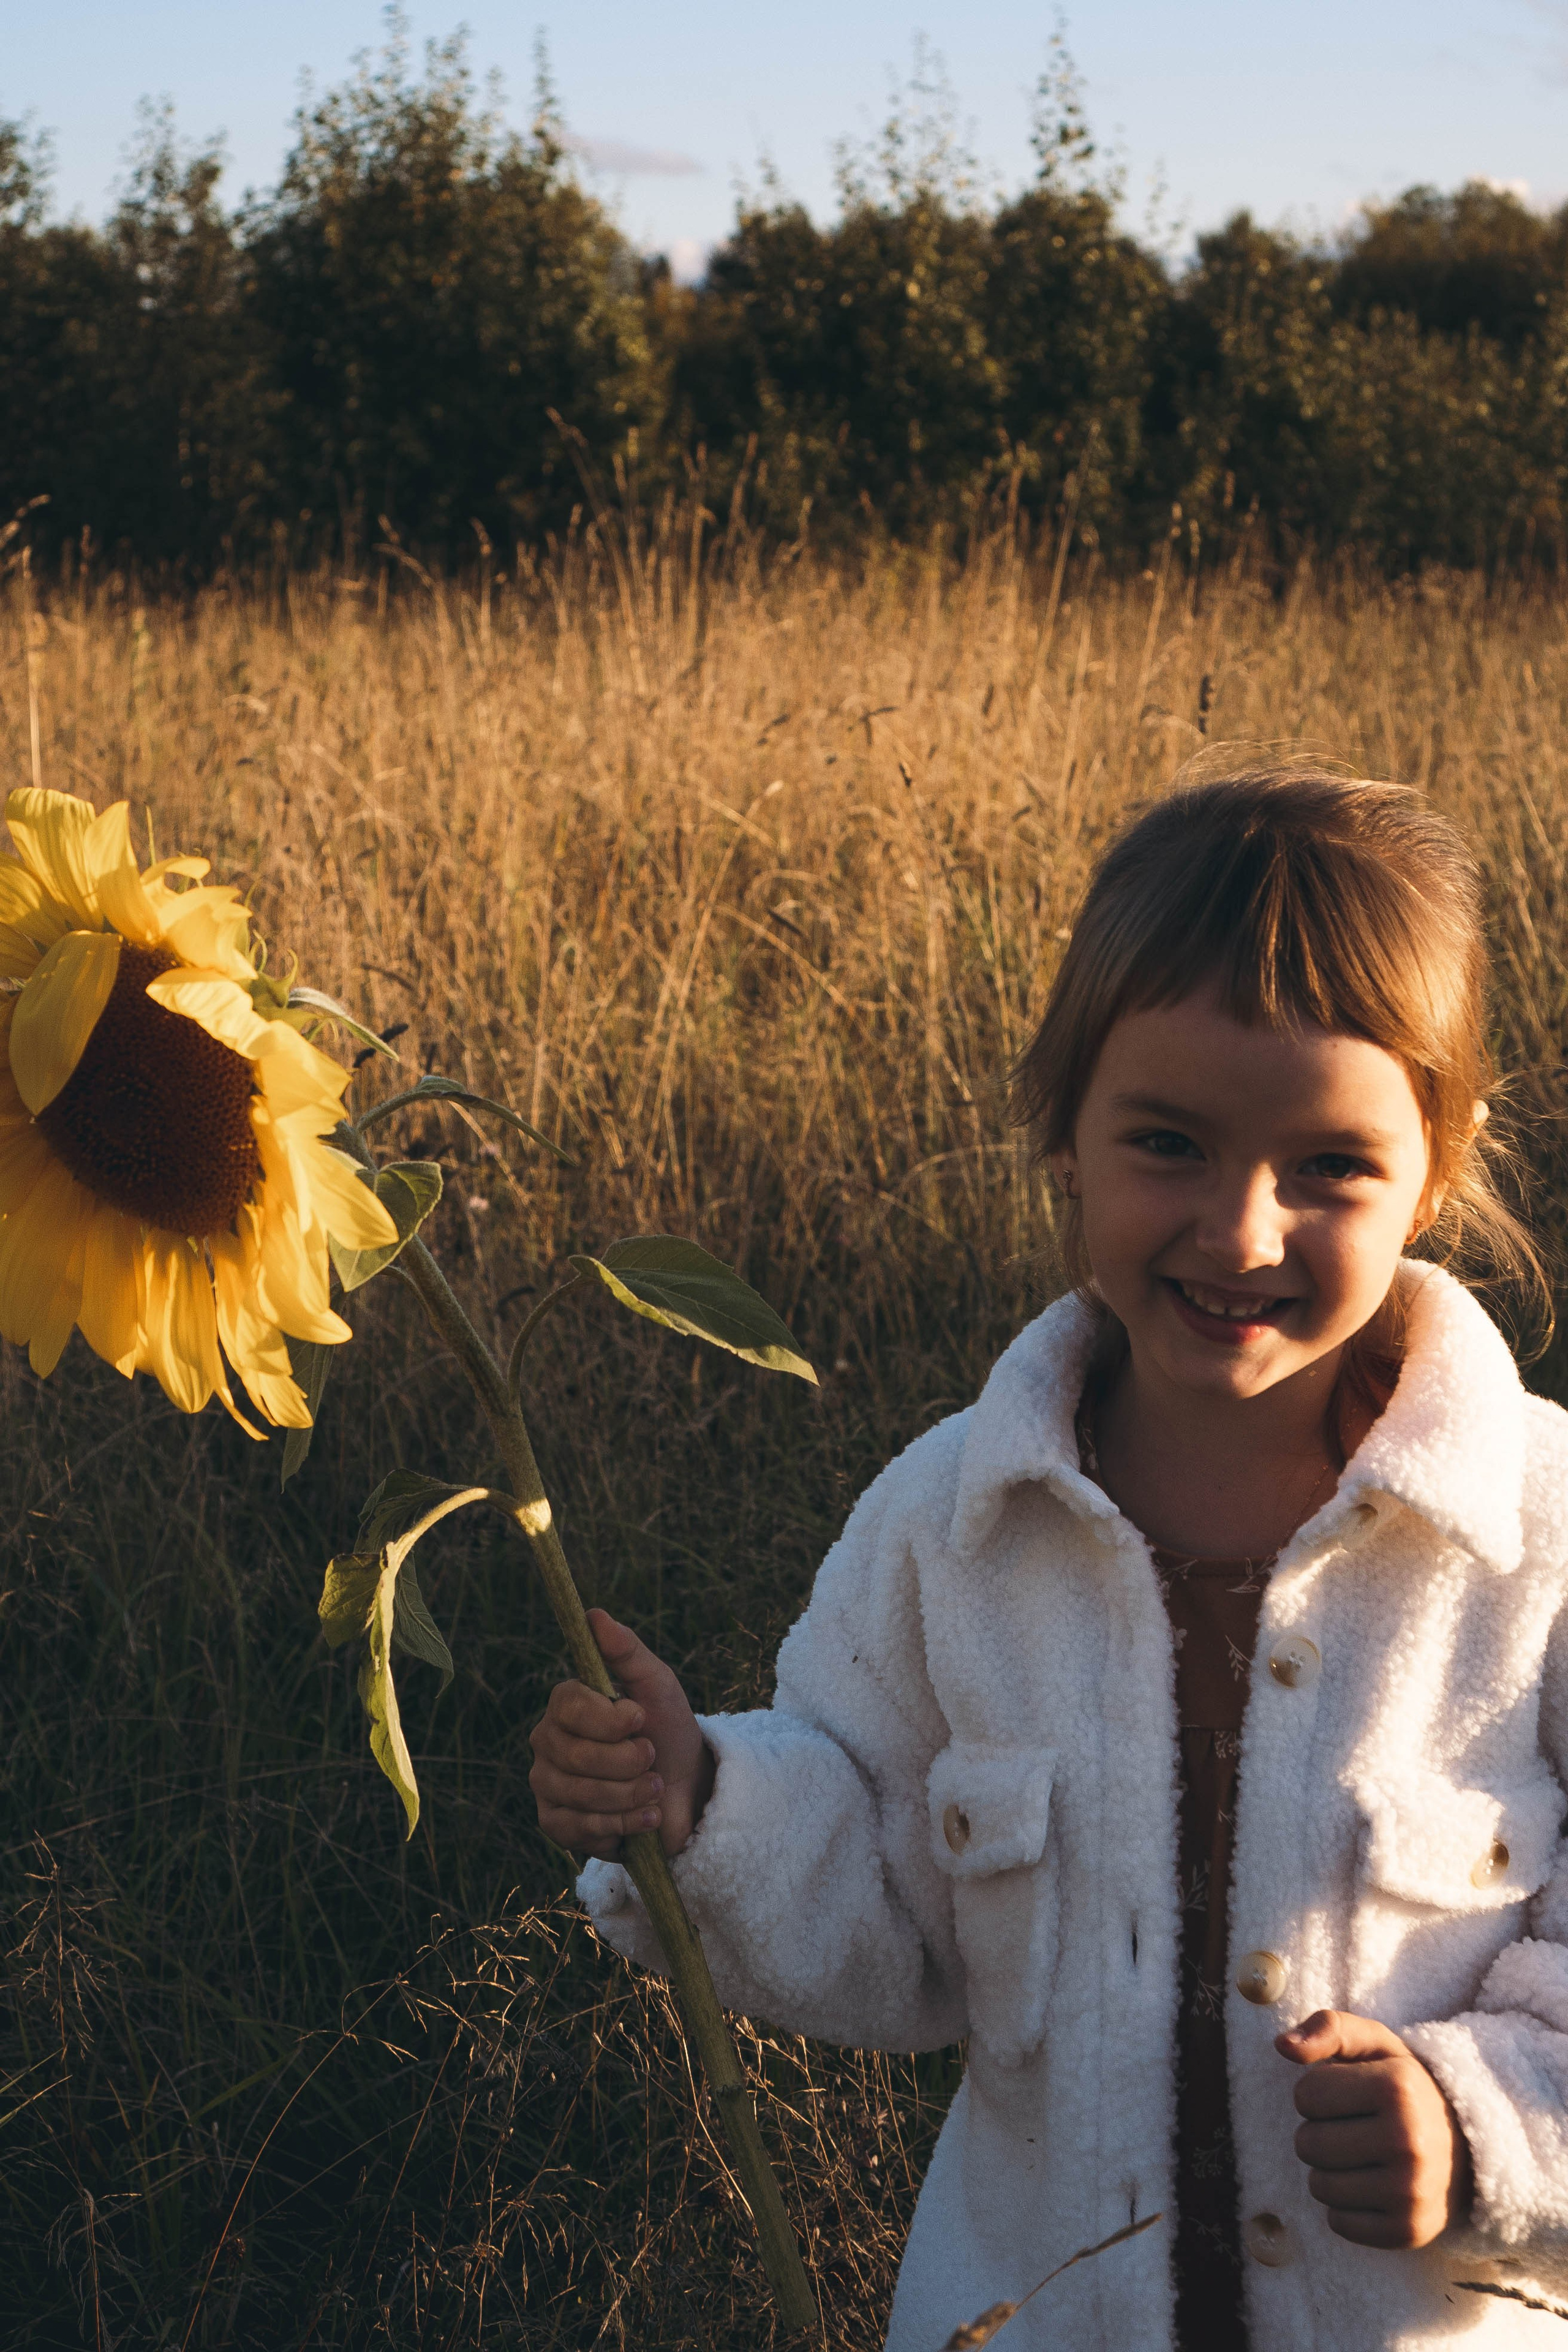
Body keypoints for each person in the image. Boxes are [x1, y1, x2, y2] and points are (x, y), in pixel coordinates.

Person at [529, 766, 1568, 2348]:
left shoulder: (1537, 1539)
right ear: (1063, 1134)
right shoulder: (956, 1523)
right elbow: (885, 1901)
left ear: (1440, 1158)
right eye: (1169, 1142)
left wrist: (1484, 2113)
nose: (1240, 1230)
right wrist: (705, 1803)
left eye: (1329, 1167)